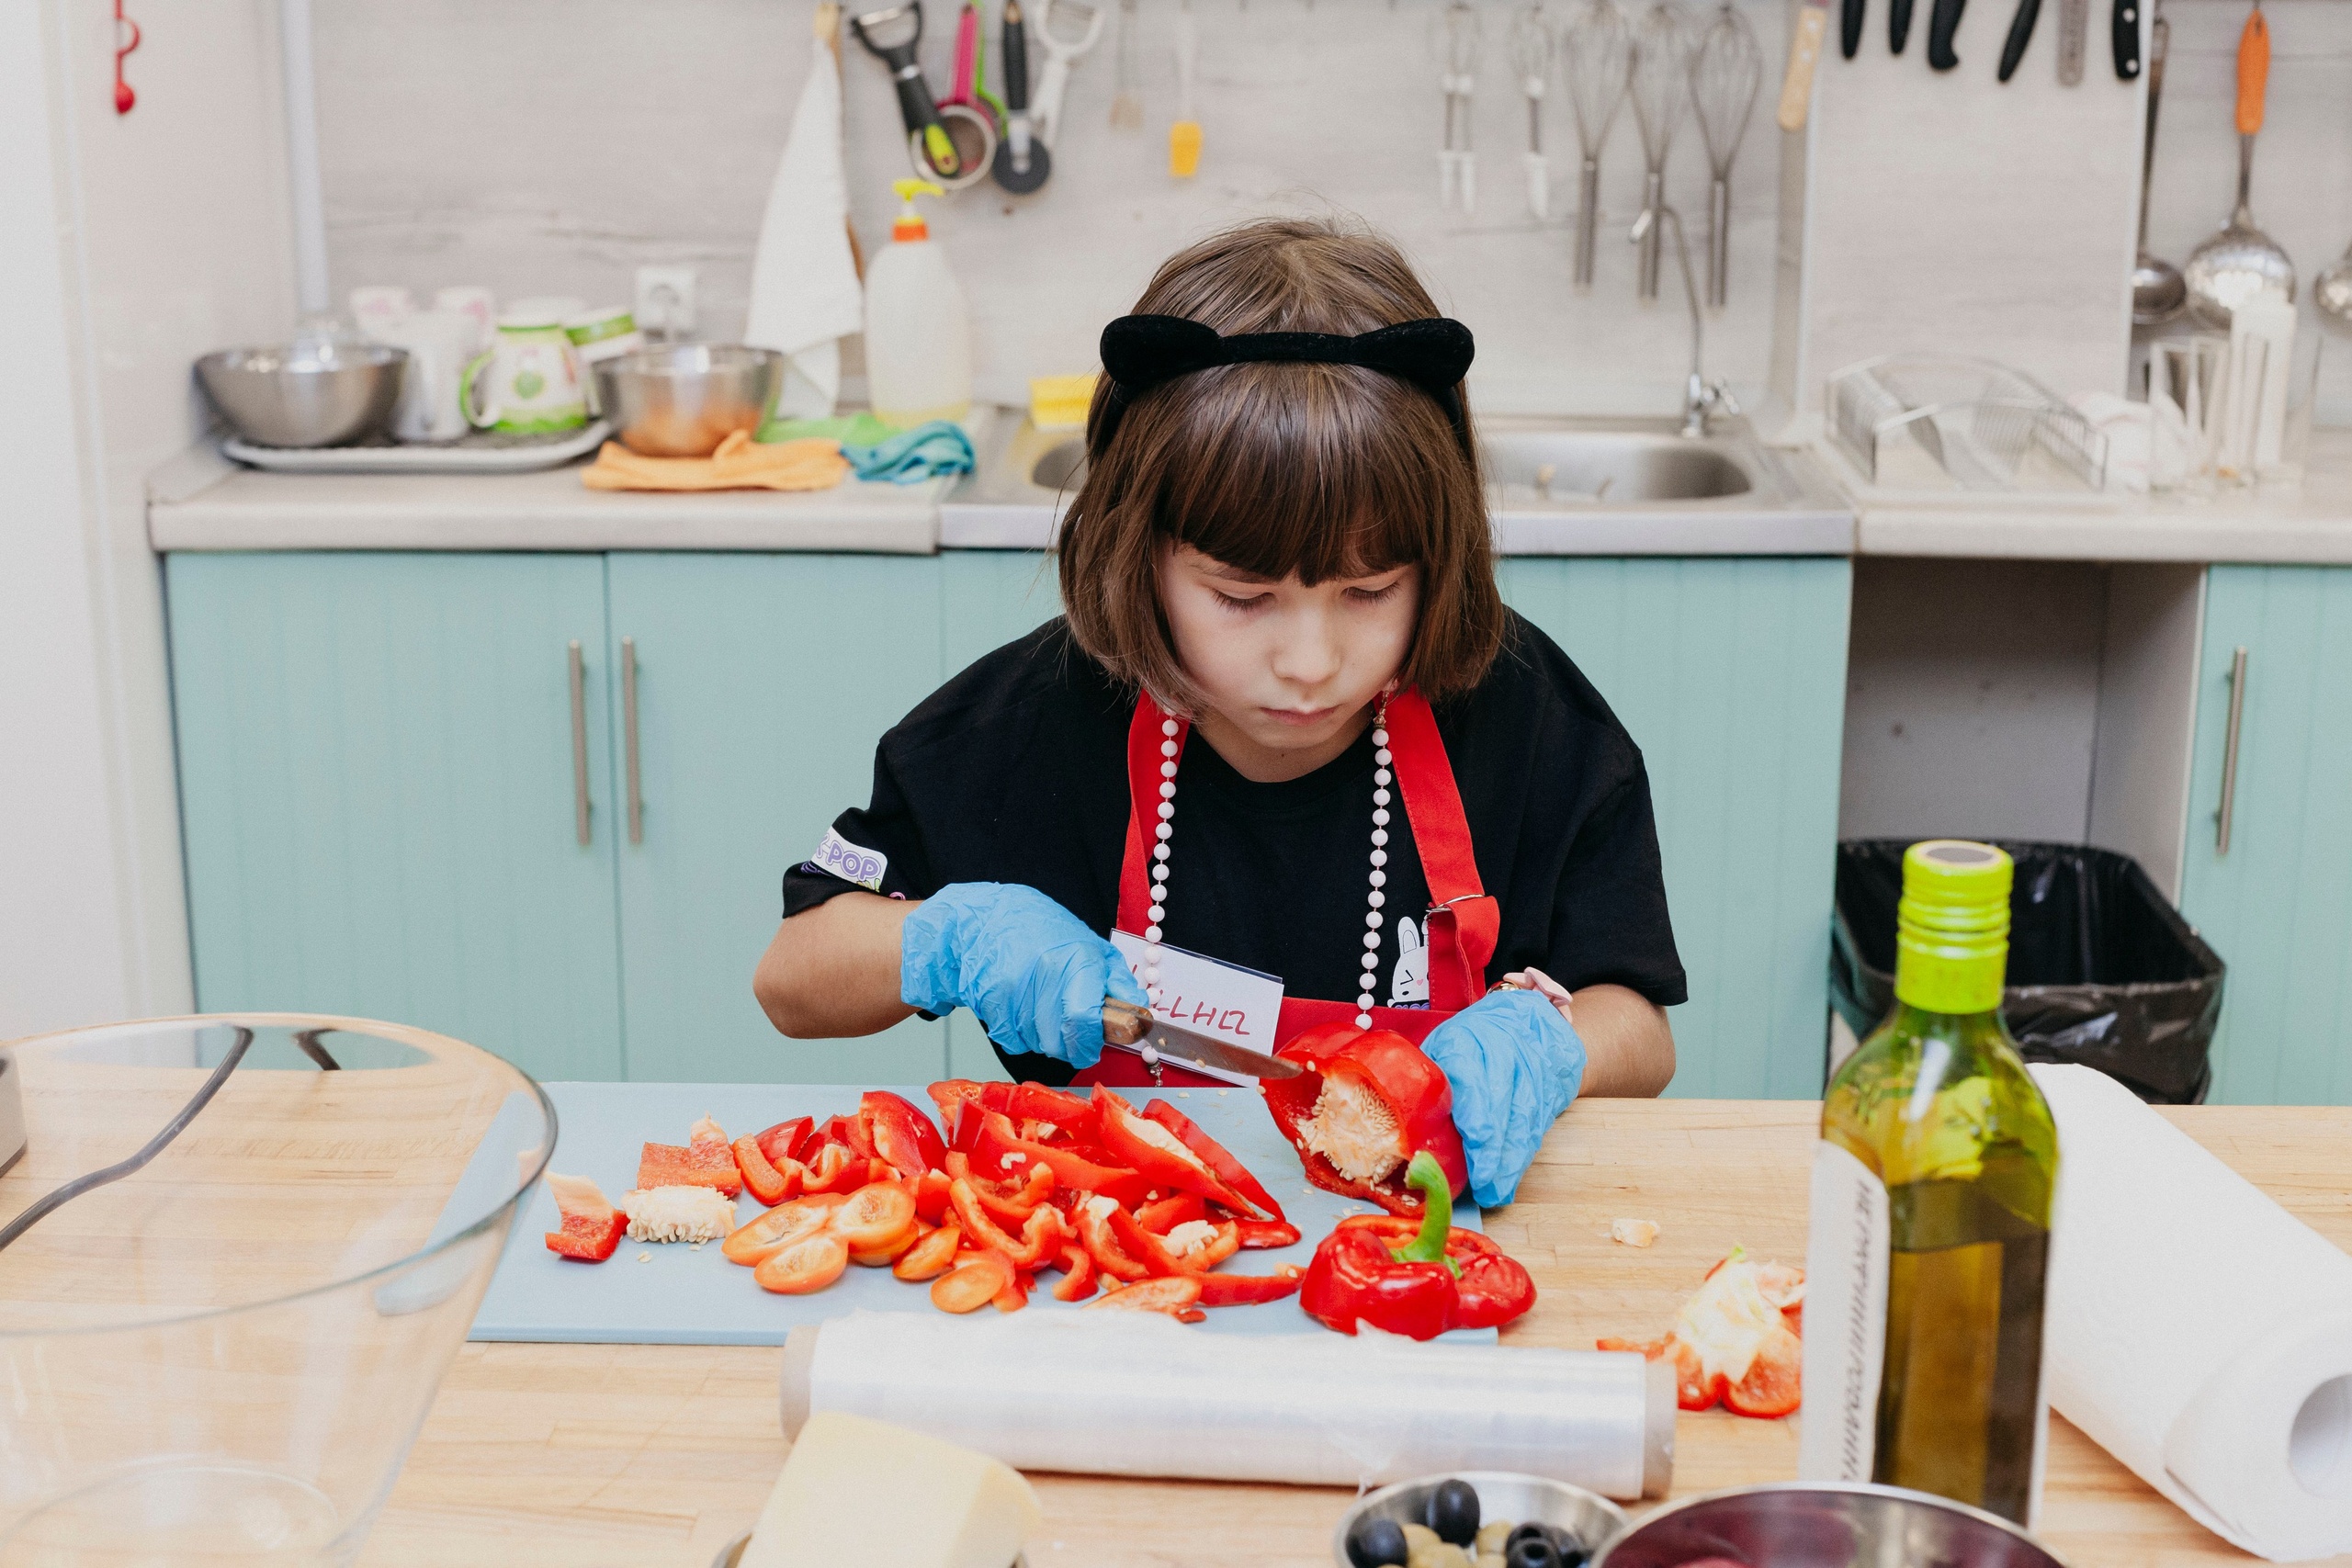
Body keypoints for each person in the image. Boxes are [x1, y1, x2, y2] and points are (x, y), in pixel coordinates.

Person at [755, 217, 1682, 1208]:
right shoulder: (1027, 723)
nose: (1311, 663)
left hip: (1419, 1270)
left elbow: (1638, 1024)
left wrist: (1549, 1043)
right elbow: (792, 978)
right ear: (1136, 550)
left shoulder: (1523, 714)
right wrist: (946, 941)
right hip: (1117, 1273)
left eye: (1369, 592)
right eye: (1241, 598)